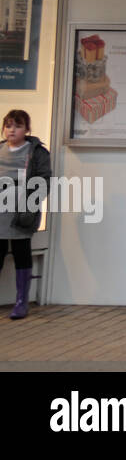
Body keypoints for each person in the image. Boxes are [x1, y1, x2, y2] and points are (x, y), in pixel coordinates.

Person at [0, 110, 51, 319]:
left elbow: (45, 180)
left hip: (22, 210)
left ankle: (21, 302)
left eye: (18, 126)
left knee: (22, 252)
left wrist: (31, 202)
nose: (12, 130)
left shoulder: (36, 152)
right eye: (8, 125)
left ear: (27, 129)